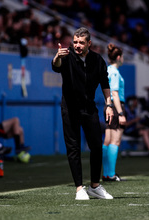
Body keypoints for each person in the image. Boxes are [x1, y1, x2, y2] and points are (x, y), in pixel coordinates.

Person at [51, 27, 114, 200]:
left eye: (81, 43)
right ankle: (79, 188)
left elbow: (104, 83)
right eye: (75, 42)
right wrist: (57, 56)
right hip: (70, 109)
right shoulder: (66, 56)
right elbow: (56, 67)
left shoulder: (97, 60)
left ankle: (95, 186)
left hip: (89, 108)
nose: (77, 45)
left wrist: (109, 105)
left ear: (89, 44)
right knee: (73, 148)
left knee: (96, 147)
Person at [102, 43, 126, 182]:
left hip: (108, 105)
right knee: (115, 141)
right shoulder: (115, 72)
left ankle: (106, 173)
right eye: (122, 57)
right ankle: (110, 174)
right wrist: (121, 113)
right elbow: (115, 93)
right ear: (118, 57)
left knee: (107, 141)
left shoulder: (108, 70)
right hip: (116, 106)